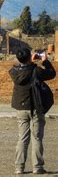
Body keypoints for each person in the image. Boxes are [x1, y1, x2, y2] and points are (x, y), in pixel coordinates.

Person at [9, 47, 56, 175]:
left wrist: (29, 61)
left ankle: (19, 167)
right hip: (36, 107)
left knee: (22, 138)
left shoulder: (13, 71)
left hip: (21, 107)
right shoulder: (36, 71)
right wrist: (44, 61)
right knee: (37, 138)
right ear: (30, 57)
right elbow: (52, 73)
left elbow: (23, 67)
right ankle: (37, 167)